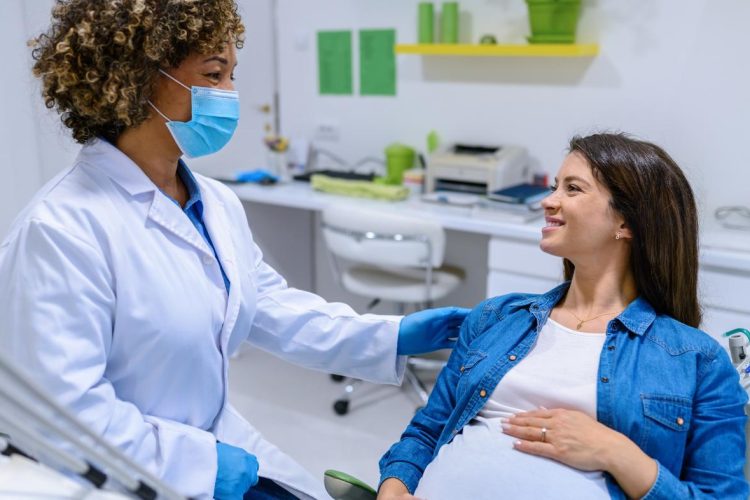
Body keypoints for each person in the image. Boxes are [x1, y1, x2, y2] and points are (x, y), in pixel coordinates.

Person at [0, 2, 469, 499]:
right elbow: (58, 416)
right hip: (127, 473)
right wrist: (198, 465)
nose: (228, 95)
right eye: (213, 74)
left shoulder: (215, 202)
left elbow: (269, 305)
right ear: (136, 78)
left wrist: (393, 336)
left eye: (230, 75)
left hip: (216, 438)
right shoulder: (60, 231)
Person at [377, 133, 749, 499]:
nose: (548, 201)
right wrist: (393, 489)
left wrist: (616, 453)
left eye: (572, 189)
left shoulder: (697, 361)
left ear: (627, 223)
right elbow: (427, 431)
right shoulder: (496, 317)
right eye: (556, 186)